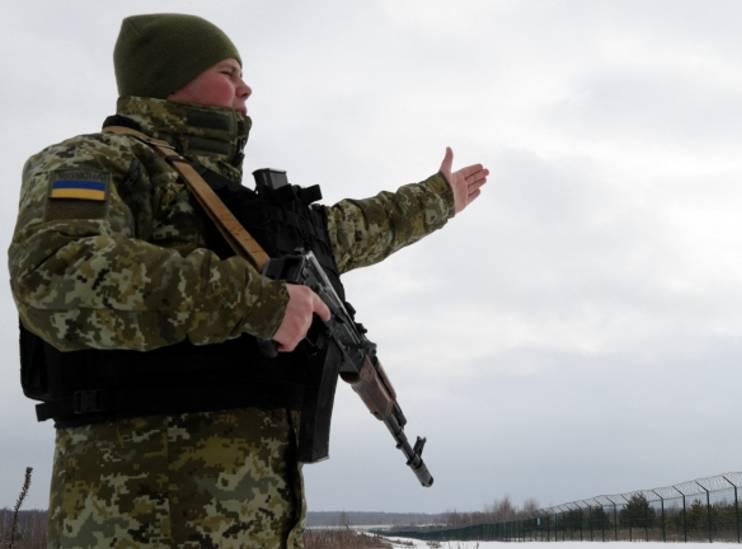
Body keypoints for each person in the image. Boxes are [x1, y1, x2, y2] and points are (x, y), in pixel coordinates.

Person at [9, 13, 488, 548]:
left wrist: (437, 199)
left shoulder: (245, 211)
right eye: (228, 70)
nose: (246, 87)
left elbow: (351, 229)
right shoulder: (100, 161)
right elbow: (55, 274)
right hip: (142, 523)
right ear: (169, 78)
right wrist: (256, 302)